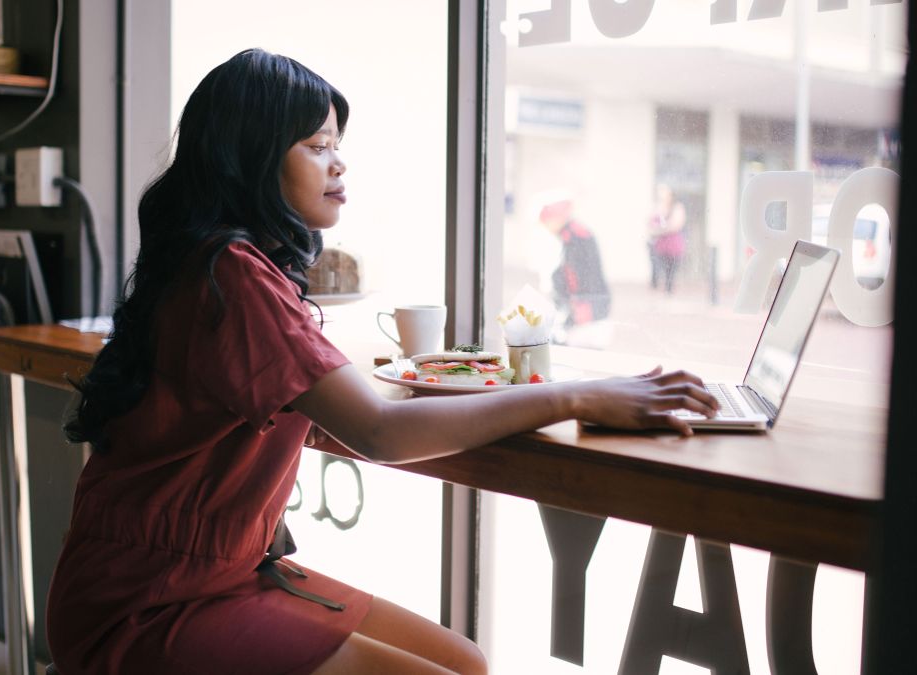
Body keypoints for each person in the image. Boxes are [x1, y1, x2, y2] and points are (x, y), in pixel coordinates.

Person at [46, 49, 719, 675]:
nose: (339, 164)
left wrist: (458, 396)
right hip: (148, 601)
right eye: (318, 146)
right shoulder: (233, 274)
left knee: (468, 662)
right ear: (250, 157)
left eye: (338, 146)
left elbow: (336, 419)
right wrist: (575, 397)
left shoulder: (225, 264)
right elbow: (378, 432)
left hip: (201, 572)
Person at [538, 195, 612, 331]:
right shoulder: (573, 232)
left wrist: (574, 305)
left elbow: (576, 273)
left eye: (547, 222)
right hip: (590, 299)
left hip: (588, 301)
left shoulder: (573, 235)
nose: (547, 228)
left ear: (557, 218)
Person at [647, 183, 687, 294]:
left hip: (673, 246)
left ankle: (668, 292)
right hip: (660, 246)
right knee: (660, 270)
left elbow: (676, 225)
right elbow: (650, 225)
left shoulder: (677, 207)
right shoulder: (657, 207)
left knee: (671, 272)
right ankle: (661, 290)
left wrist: (659, 230)